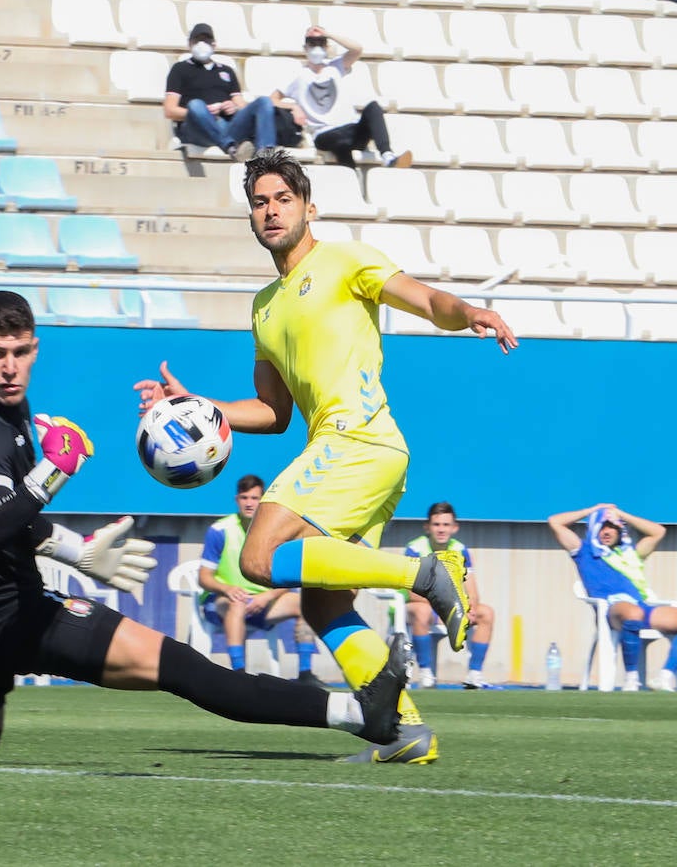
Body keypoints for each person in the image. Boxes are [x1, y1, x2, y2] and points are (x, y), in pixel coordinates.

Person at [0, 291, 409, 765]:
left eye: (19, 352)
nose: (9, 368)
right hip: (1, 616)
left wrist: (75, 550)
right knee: (181, 666)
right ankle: (363, 713)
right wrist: (53, 471)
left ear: (35, 349)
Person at [134, 149, 517, 763]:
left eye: (283, 199)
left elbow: (421, 299)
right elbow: (273, 412)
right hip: (360, 454)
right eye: (260, 202)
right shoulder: (263, 307)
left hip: (356, 439)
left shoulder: (344, 260)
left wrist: (469, 312)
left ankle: (427, 576)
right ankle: (402, 731)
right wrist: (196, 408)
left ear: (309, 207)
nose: (271, 210)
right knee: (323, 601)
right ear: (251, 218)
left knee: (259, 555)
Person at [547, 504, 677, 692]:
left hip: (639, 607)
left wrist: (620, 514)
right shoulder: (584, 551)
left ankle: (665, 676)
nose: (607, 531)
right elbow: (555, 522)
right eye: (602, 526)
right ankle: (632, 679)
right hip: (611, 610)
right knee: (632, 612)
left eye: (612, 527)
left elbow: (658, 532)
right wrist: (594, 511)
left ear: (620, 530)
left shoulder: (630, 555)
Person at [199, 473, 326, 687]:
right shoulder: (220, 530)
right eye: (244, 498)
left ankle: (305, 672)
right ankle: (238, 673)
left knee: (307, 604)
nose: (249, 503)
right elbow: (204, 578)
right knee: (236, 603)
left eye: (254, 498)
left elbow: (289, 577)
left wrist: (267, 596)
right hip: (224, 602)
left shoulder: (276, 532)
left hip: (263, 603)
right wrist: (227, 589)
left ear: (263, 500)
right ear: (237, 500)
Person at [272, 27, 411, 170]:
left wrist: (328, 34)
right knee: (339, 142)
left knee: (373, 108)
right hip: (324, 133)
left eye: (321, 43)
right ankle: (352, 179)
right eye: (312, 43)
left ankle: (388, 156)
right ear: (305, 47)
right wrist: (293, 107)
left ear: (327, 47)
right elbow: (272, 99)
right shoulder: (298, 76)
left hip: (350, 128)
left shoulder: (335, 67)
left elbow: (357, 49)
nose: (316, 47)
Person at [403, 502, 496, 689]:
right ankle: (426, 674)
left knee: (486, 613)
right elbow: (413, 593)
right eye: (436, 524)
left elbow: (472, 589)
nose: (441, 530)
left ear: (454, 528)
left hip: (448, 607)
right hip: (414, 608)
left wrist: (469, 608)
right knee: (422, 611)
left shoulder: (460, 550)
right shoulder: (415, 548)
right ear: (427, 527)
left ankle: (474, 675)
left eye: (446, 525)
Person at [163, 22, 276, 161]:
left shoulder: (226, 70)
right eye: (198, 40)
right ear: (190, 44)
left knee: (264, 101)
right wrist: (202, 113)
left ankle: (266, 154)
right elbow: (169, 110)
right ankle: (229, 146)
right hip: (198, 129)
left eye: (206, 40)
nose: (202, 44)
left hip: (227, 125)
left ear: (214, 44)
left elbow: (241, 104)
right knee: (196, 105)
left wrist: (233, 107)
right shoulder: (180, 69)